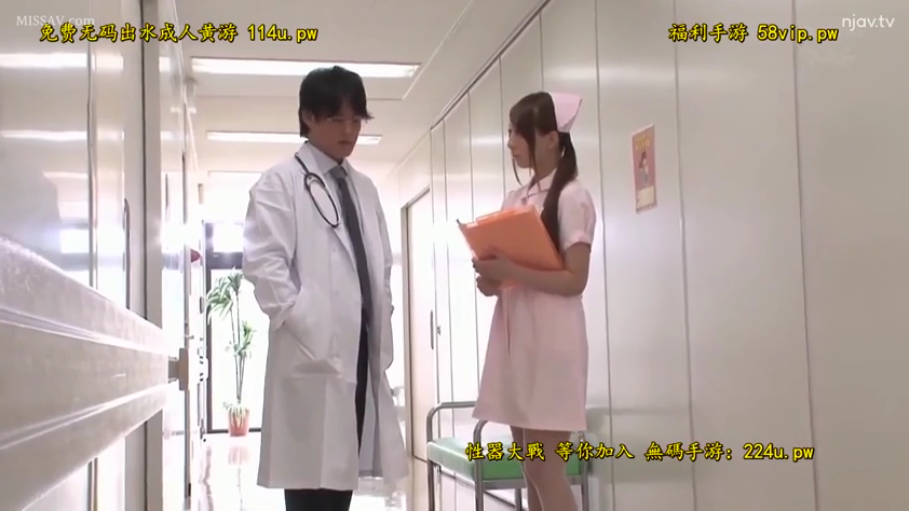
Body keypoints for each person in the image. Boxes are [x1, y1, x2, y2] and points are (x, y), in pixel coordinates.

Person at [242, 65, 407, 511]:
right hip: (311, 354)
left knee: (339, 483)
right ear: (308, 117)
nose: (349, 131)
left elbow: (381, 266)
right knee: (310, 489)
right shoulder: (279, 182)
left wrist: (378, 315)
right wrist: (308, 321)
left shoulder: (364, 189)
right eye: (337, 119)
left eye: (356, 120)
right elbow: (264, 265)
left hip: (359, 351)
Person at [472, 91, 594, 511]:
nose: (510, 142)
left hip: (553, 348)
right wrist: (493, 279)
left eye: (519, 132)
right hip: (516, 344)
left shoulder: (572, 196)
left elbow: (575, 279)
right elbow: (510, 278)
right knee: (530, 467)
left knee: (545, 469)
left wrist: (512, 270)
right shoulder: (516, 199)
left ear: (550, 139)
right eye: (509, 132)